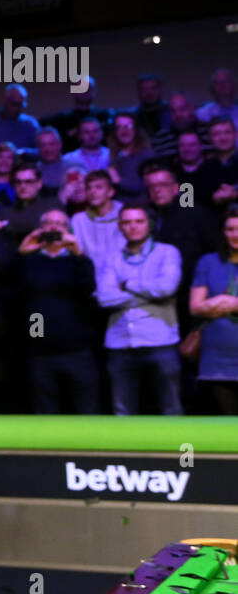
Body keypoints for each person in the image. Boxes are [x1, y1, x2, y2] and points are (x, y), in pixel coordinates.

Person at [95, 205, 183, 416]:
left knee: (170, 407)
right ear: (120, 226)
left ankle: (178, 449)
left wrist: (125, 284)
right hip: (120, 342)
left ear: (149, 225)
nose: (132, 227)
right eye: (126, 222)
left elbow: (166, 288)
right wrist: (149, 295)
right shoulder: (111, 257)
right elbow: (105, 299)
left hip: (160, 340)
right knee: (123, 410)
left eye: (139, 221)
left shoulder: (167, 252)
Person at [15, 209, 100, 414]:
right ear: (40, 229)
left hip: (78, 349)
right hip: (40, 349)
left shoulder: (79, 261)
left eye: (59, 224)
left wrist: (77, 252)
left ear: (67, 230)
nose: (53, 228)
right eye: (48, 223)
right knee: (44, 410)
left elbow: (88, 288)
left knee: (87, 409)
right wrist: (21, 253)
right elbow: (11, 289)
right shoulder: (28, 261)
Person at [144, 160, 219, 337]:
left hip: (194, 296)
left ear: (176, 188)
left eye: (162, 184)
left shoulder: (195, 214)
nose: (157, 190)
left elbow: (214, 253)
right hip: (160, 299)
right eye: (152, 186)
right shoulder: (146, 218)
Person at [189, 205, 238, 416]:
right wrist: (218, 301)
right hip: (217, 361)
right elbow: (195, 307)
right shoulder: (209, 261)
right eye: (229, 229)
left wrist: (232, 304)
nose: (235, 235)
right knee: (226, 426)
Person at [71, 170, 124, 272]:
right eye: (89, 188)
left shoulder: (125, 215)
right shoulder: (79, 220)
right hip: (89, 275)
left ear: (111, 192)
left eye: (98, 187)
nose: (93, 192)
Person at [0, 83, 39, 166]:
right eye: (14, 104)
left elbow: (41, 152)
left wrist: (25, 153)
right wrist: (1, 162)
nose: (17, 108)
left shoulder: (31, 124)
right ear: (5, 101)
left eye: (20, 105)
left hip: (24, 173)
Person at [107, 112, 154, 202]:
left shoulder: (147, 155)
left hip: (141, 208)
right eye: (119, 127)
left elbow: (147, 185)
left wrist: (119, 180)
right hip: (119, 208)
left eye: (128, 126)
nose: (124, 131)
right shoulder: (114, 155)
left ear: (135, 130)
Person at [195, 116, 238, 215]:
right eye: (216, 134)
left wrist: (235, 194)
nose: (222, 138)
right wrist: (213, 198)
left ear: (235, 134)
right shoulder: (204, 168)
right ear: (210, 138)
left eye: (227, 132)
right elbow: (194, 199)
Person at [35, 126, 68, 192]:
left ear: (59, 144)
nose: (47, 149)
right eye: (43, 145)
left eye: (51, 144)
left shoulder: (73, 168)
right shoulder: (34, 171)